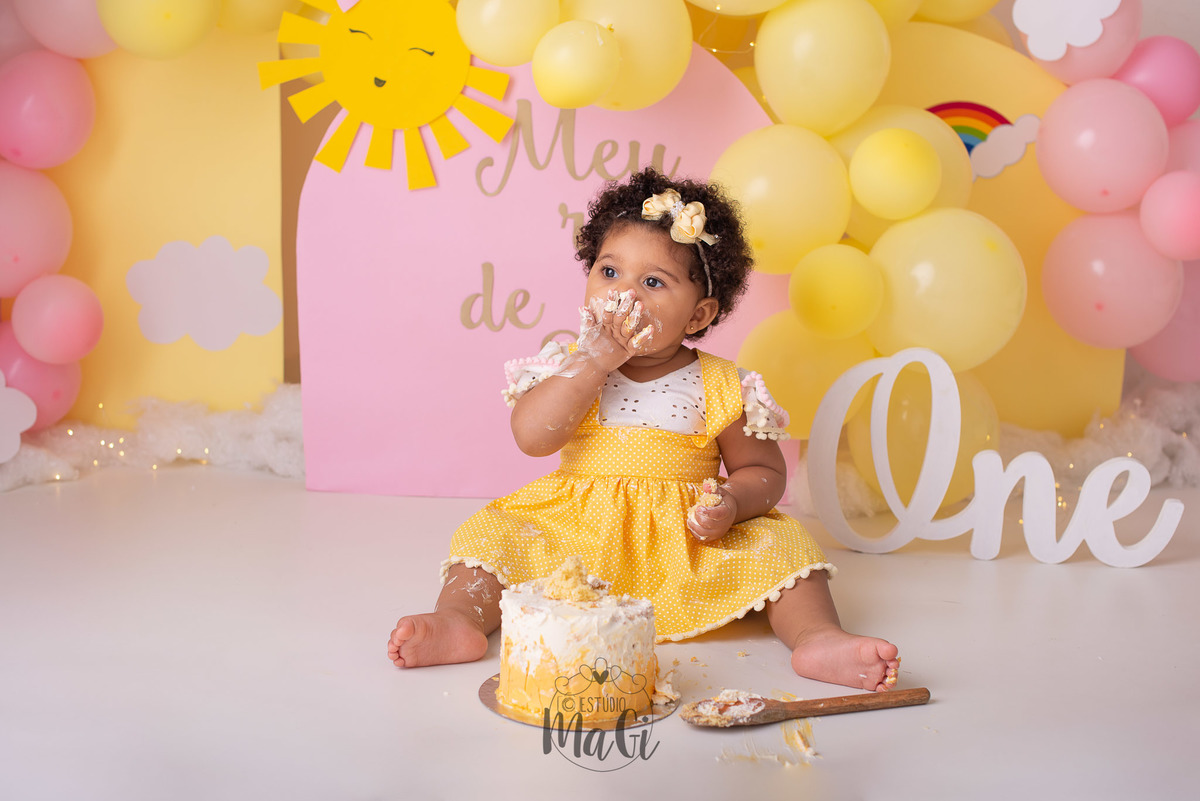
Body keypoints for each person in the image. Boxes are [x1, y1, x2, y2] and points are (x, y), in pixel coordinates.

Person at [388, 167, 899, 691]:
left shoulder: (721, 382)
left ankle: (817, 636)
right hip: (576, 534)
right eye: (609, 272)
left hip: (685, 542)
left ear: (698, 315)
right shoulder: (568, 366)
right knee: (492, 535)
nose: (623, 294)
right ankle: (459, 620)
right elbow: (532, 438)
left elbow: (763, 471)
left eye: (652, 282)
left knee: (786, 544)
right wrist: (593, 362)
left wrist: (731, 502)